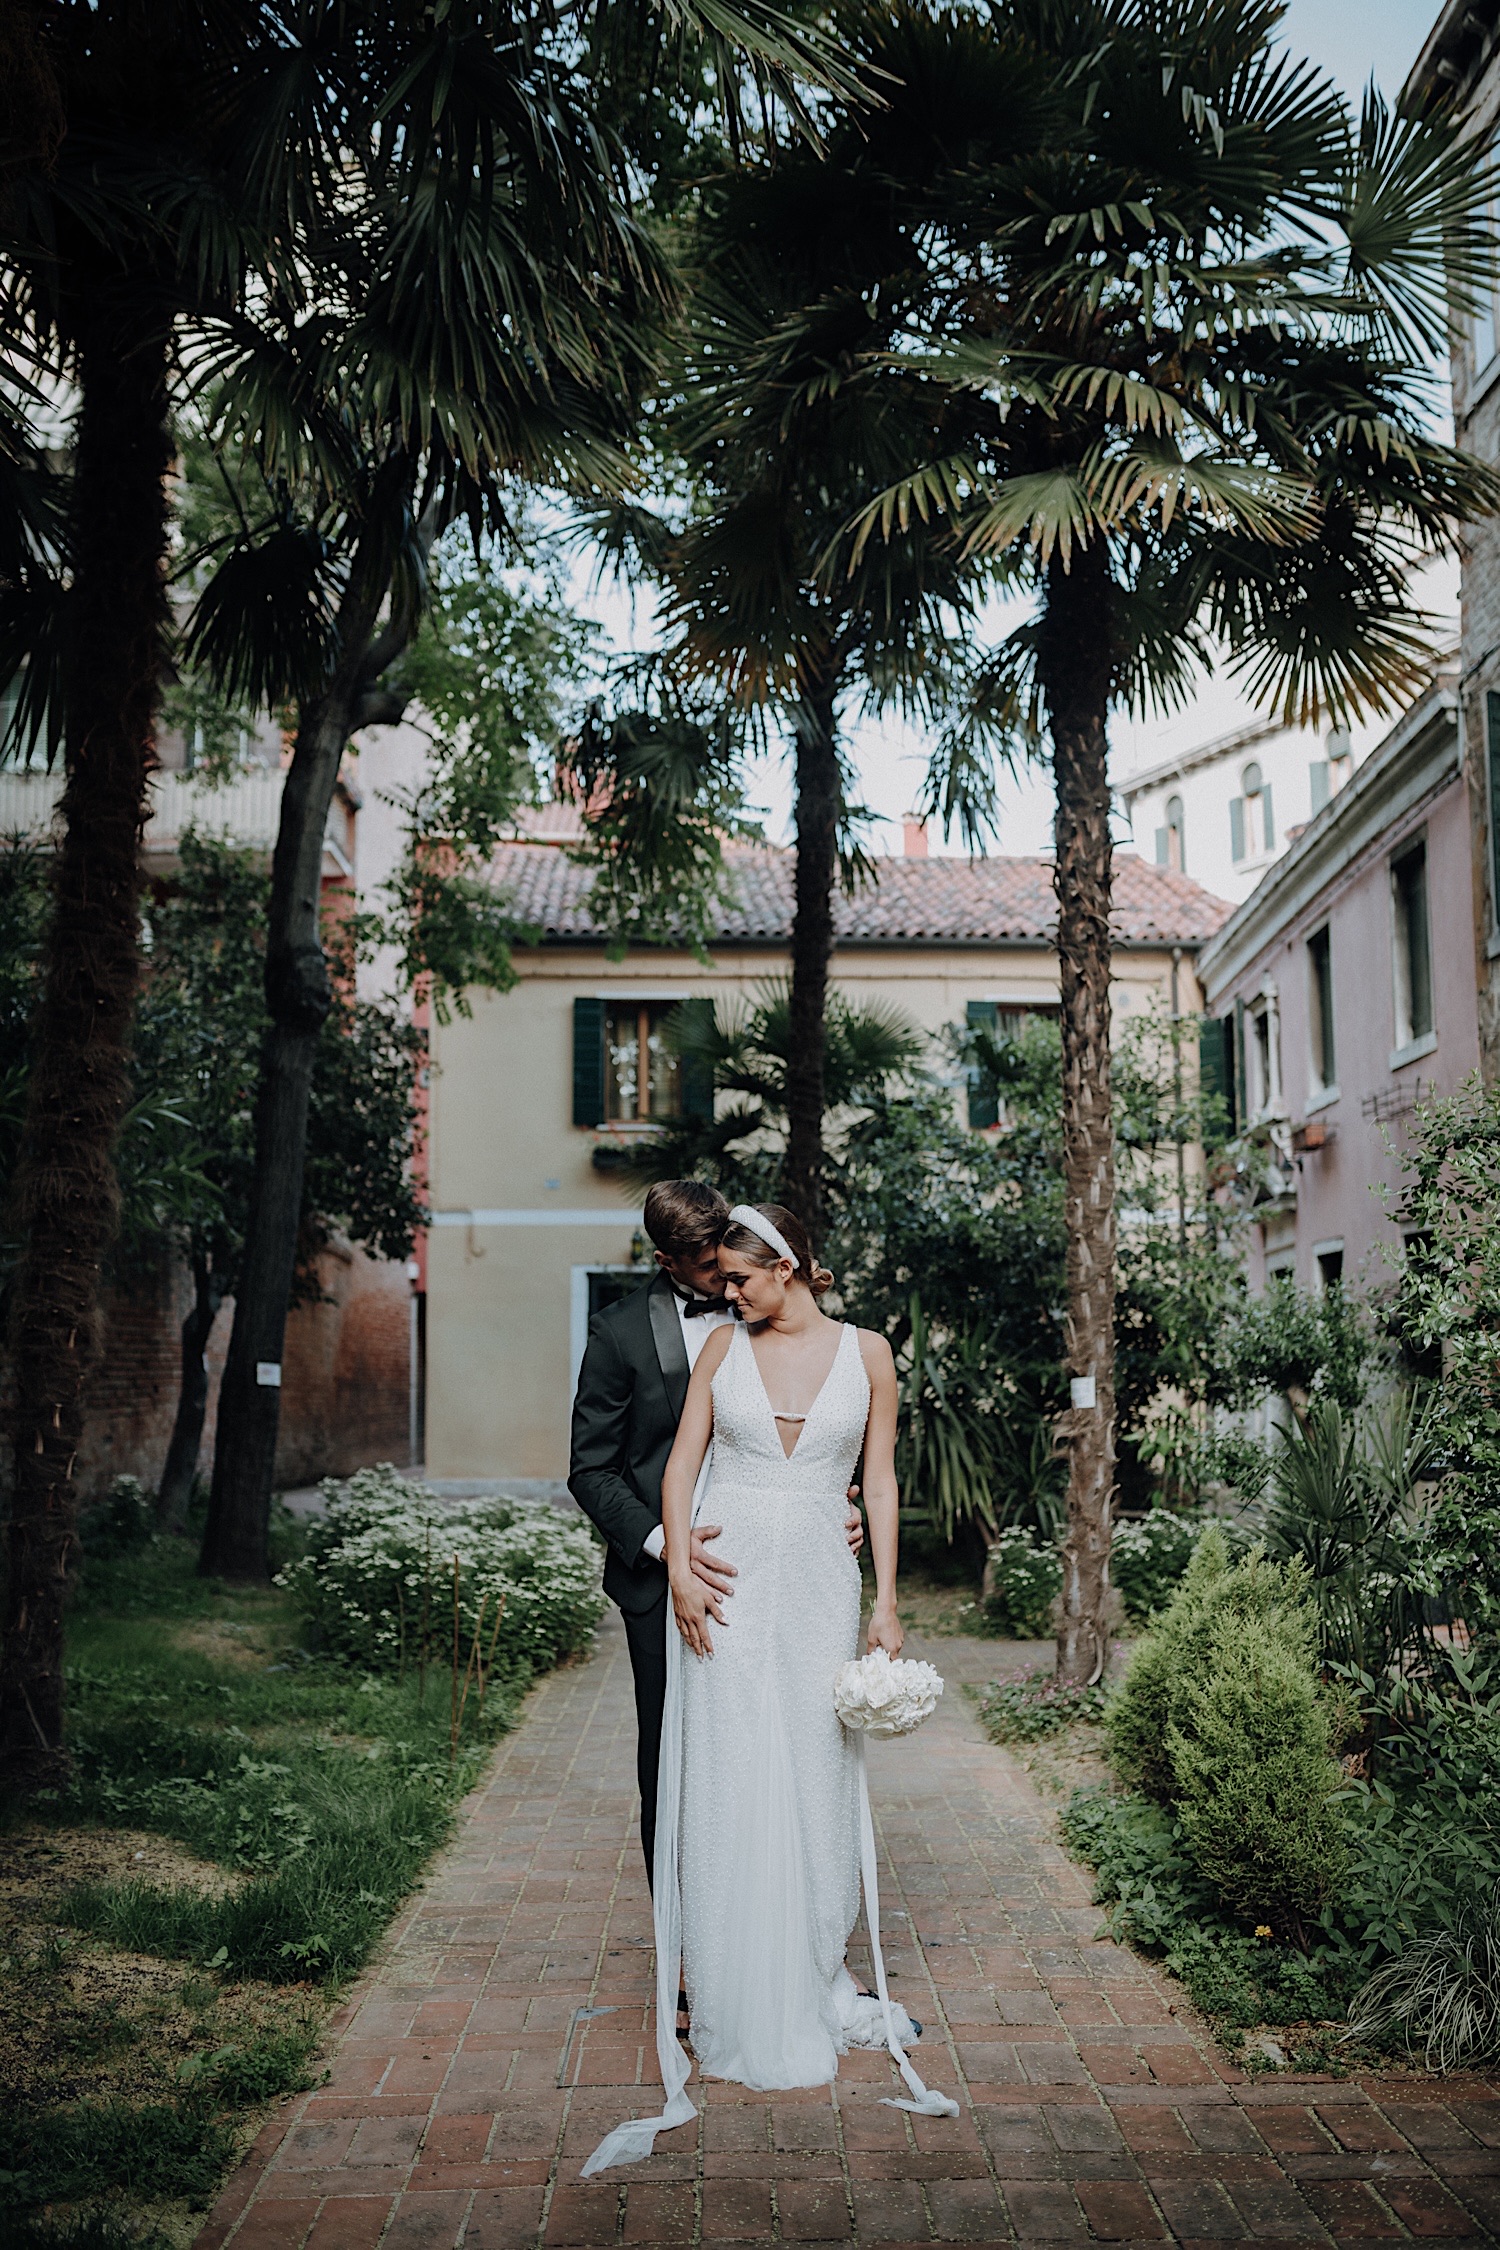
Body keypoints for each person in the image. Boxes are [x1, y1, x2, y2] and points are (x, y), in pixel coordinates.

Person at [582, 1202, 954, 2177]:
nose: (724, 1293)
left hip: (822, 1591)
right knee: (735, 1770)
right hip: (732, 1581)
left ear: (785, 1267)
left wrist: (889, 1601)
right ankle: (738, 1983)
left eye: (739, 1278)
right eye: (718, 1281)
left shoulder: (870, 1354)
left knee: (814, 1770)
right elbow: (677, 1472)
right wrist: (682, 1577)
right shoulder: (720, 1354)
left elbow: (878, 1481)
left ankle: (814, 1965)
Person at [568, 1180, 862, 1885]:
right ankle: (685, 1936)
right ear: (668, 1262)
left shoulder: (770, 1308)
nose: (726, 1285)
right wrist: (669, 1547)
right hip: (661, 1578)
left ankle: (776, 1917)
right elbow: (591, 1470)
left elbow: (825, 1417)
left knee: (783, 1744)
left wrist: (833, 1502)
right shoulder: (619, 1333)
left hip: (777, 1567)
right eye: (709, 1269)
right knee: (675, 1756)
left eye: (732, 1266)